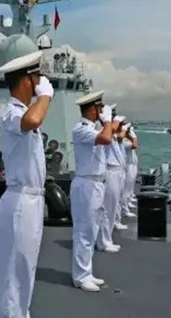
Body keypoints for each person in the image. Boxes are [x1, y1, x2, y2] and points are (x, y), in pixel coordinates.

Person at [0, 47, 53, 317]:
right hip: (20, 201)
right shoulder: (11, 113)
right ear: (28, 81)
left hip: (31, 201)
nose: (41, 82)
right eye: (37, 77)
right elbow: (33, 119)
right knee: (14, 276)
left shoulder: (22, 112)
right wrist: (46, 96)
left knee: (24, 270)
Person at [71, 91, 114, 292]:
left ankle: (86, 272)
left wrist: (107, 123)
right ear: (94, 109)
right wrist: (108, 121)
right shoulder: (81, 129)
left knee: (92, 230)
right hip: (86, 185)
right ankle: (80, 277)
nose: (101, 112)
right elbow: (106, 138)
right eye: (100, 108)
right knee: (84, 232)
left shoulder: (92, 130)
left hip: (96, 184)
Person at [97, 115, 128, 251]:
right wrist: (114, 121)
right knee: (107, 209)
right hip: (110, 172)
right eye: (120, 124)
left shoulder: (113, 136)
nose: (121, 126)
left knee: (113, 206)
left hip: (118, 172)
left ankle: (106, 239)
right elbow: (119, 135)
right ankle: (103, 241)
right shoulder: (106, 133)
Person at [121, 123, 138, 218]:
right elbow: (134, 145)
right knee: (126, 188)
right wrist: (133, 137)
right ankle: (124, 209)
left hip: (132, 164)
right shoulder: (123, 140)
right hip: (128, 165)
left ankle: (127, 203)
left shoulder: (126, 139)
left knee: (130, 186)